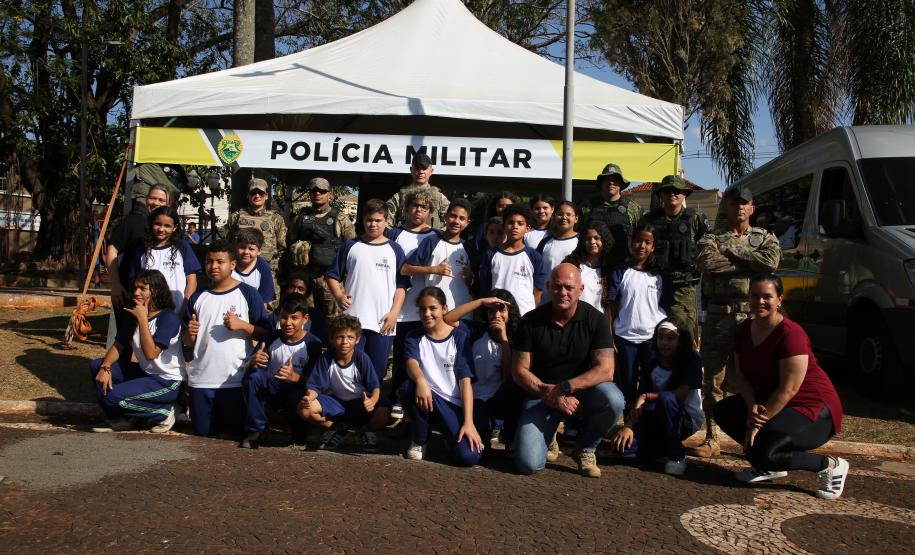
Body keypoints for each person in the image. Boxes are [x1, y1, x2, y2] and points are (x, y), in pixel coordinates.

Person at [713, 274, 848, 500]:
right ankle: (768, 465)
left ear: (780, 300)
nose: (760, 302)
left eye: (768, 296)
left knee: (767, 451)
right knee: (723, 411)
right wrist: (751, 406)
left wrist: (756, 422)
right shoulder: (746, 329)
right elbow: (741, 377)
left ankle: (830, 464)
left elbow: (789, 389)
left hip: (811, 407)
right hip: (771, 401)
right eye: (755, 296)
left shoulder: (791, 334)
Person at [690, 187, 781, 458]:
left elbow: (771, 262)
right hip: (720, 316)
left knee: (756, 377)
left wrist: (730, 252)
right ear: (725, 207)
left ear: (752, 208)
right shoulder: (710, 237)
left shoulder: (764, 237)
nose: (740, 207)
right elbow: (708, 264)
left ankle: (754, 435)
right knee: (713, 378)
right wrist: (749, 264)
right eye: (734, 203)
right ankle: (711, 437)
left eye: (745, 203)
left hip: (754, 319)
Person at [511, 263, 624, 478]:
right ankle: (549, 434)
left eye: (569, 287)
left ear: (580, 289)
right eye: (557, 286)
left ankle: (586, 447)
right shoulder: (531, 321)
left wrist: (565, 388)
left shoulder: (596, 320)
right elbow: (519, 370)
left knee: (614, 399)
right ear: (548, 287)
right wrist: (550, 394)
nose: (562, 292)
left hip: (581, 392)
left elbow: (606, 370)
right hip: (541, 394)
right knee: (528, 465)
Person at [183, 241, 270, 437]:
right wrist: (191, 333)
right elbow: (189, 342)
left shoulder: (248, 294)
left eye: (219, 262)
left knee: (233, 433)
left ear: (232, 264)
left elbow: (266, 333)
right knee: (203, 432)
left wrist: (244, 326)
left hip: (234, 380)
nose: (213, 267)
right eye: (209, 262)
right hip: (201, 380)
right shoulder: (198, 297)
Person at [397, 198, 474, 416]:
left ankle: (459, 413)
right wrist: (433, 269)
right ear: (445, 217)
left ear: (468, 223)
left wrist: (471, 278)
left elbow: (477, 283)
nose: (456, 221)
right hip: (434, 319)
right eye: (453, 216)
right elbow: (405, 269)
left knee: (460, 368)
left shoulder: (469, 247)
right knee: (431, 367)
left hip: (461, 318)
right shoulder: (432, 241)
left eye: (461, 218)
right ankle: (416, 414)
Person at [89, 270, 185, 433]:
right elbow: (119, 345)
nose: (136, 292)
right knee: (96, 366)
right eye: (135, 288)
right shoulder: (132, 314)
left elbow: (151, 353)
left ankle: (163, 413)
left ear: (156, 290)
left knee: (111, 398)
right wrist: (106, 367)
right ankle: (121, 419)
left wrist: (142, 319)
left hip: (167, 381)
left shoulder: (168, 317)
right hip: (146, 374)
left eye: (142, 288)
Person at [325, 198, 409, 385]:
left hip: (383, 322)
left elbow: (402, 286)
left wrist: (395, 313)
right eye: (369, 220)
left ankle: (374, 410)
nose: (373, 224)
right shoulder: (350, 246)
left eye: (378, 220)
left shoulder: (395, 249)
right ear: (363, 220)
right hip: (353, 321)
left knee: (377, 372)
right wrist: (338, 295)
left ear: (386, 221)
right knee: (351, 371)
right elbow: (331, 275)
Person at [401, 287, 485, 466]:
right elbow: (411, 364)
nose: (427, 314)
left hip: (452, 405)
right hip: (427, 397)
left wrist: (468, 422)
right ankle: (420, 439)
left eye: (433, 308)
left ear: (445, 309)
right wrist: (421, 381)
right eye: (423, 309)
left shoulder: (460, 337)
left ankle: (448, 436)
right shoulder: (413, 336)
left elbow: (465, 382)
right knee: (408, 386)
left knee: (469, 457)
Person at [611, 319, 703, 476]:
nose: (664, 343)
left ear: (680, 340)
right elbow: (640, 398)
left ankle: (676, 456)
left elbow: (681, 393)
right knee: (623, 449)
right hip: (656, 417)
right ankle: (661, 449)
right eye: (660, 337)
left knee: (667, 399)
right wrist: (628, 425)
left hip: (685, 418)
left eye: (670, 338)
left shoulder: (691, 359)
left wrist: (648, 396)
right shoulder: (653, 361)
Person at [240, 293, 323, 449]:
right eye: (284, 317)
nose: (288, 323)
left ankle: (299, 434)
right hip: (273, 386)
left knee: (302, 395)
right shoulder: (270, 338)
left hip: (296, 390)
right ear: (278, 316)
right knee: (253, 377)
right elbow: (247, 368)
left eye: (294, 318)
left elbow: (317, 382)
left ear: (305, 319)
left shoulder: (313, 344)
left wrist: (295, 377)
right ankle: (257, 431)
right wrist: (253, 361)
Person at [298, 314, 392, 452]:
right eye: (340, 337)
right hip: (336, 402)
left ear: (357, 340)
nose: (344, 342)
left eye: (350, 337)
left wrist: (372, 400)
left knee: (385, 413)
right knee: (303, 409)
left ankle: (366, 431)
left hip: (360, 402)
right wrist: (308, 398)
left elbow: (375, 387)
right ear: (332, 339)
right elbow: (314, 387)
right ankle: (337, 428)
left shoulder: (362, 358)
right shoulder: (326, 359)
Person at [444, 291, 524, 449]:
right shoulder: (478, 330)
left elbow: (508, 375)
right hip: (478, 398)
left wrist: (504, 339)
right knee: (481, 430)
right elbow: (447, 319)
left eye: (502, 310)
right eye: (492, 310)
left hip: (502, 396)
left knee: (516, 388)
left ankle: (510, 436)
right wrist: (481, 301)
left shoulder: (518, 336)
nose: (497, 315)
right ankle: (487, 431)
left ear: (510, 312)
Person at [606, 223, 673, 411]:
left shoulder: (660, 275)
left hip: (651, 340)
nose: (641, 246)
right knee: (626, 385)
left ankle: (646, 424)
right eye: (638, 241)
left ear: (653, 247)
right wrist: (611, 336)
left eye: (647, 242)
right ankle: (628, 424)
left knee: (650, 384)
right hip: (625, 338)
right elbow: (612, 305)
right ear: (631, 243)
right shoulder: (621, 271)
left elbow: (666, 309)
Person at [640, 174, 709, 336]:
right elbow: (638, 248)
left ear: (684, 194)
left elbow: (707, 249)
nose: (672, 194)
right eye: (667, 191)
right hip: (654, 285)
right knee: (652, 334)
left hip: (683, 289)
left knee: (684, 335)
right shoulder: (649, 220)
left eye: (677, 191)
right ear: (661, 195)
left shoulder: (695, 219)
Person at [104, 184, 170, 347]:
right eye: (152, 198)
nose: (155, 202)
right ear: (147, 200)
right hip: (129, 293)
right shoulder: (134, 221)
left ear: (168, 204)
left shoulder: (171, 229)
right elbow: (112, 250)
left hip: (157, 300)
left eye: (161, 200)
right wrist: (116, 285)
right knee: (124, 340)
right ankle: (116, 370)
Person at [287, 177, 356, 319]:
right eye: (314, 191)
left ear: (329, 194)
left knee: (334, 320)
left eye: (322, 191)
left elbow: (352, 250)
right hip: (305, 279)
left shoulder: (341, 219)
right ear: (309, 194)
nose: (317, 194)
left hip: (331, 280)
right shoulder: (299, 219)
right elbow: (289, 244)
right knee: (303, 317)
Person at [125, 205, 200, 315]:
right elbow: (134, 281)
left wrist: (184, 308)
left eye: (167, 226)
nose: (161, 229)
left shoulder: (182, 247)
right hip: (146, 314)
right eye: (158, 224)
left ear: (174, 227)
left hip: (177, 311)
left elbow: (192, 281)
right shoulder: (142, 248)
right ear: (151, 224)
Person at [478, 204, 545, 316]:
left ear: (527, 228)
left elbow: (538, 292)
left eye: (520, 223)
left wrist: (532, 315)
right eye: (510, 222)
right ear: (504, 226)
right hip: (497, 315)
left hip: (525, 316)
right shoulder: (491, 254)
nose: (515, 226)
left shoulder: (534, 256)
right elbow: (485, 288)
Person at [586, 163, 643, 268]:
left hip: (623, 266)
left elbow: (640, 238)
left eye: (615, 179)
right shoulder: (588, 207)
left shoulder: (633, 208)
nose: (611, 182)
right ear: (601, 183)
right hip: (593, 266)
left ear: (621, 183)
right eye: (607, 179)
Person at [223, 177, 287, 267]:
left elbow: (282, 247)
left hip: (267, 268)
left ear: (267, 196)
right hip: (240, 268)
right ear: (248, 195)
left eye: (261, 193)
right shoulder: (236, 217)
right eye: (253, 193)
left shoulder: (276, 219)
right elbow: (227, 243)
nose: (257, 196)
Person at [385, 152, 450, 229]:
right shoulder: (399, 197)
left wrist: (437, 238)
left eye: (424, 168)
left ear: (431, 171)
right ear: (411, 170)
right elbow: (385, 221)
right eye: (417, 168)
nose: (421, 172)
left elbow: (450, 223)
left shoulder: (440, 198)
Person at [562, 221, 614, 313]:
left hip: (599, 322)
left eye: (596, 238)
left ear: (604, 240)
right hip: (576, 318)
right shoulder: (573, 265)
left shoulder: (610, 268)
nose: (592, 242)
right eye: (588, 239)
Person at [536, 200, 580, 304]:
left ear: (576, 218)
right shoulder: (545, 243)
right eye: (560, 214)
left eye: (568, 214)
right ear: (554, 217)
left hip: (574, 303)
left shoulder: (582, 241)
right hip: (547, 302)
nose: (564, 217)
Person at [231, 227, 276, 310]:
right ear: (236, 247)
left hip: (252, 312)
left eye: (251, 249)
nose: (246, 252)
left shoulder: (263, 268)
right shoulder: (229, 265)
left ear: (259, 251)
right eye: (242, 247)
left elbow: (263, 302)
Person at [473, 191, 519, 256]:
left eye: (508, 206)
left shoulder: (518, 228)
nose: (504, 209)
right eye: (500, 206)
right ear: (494, 207)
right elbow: (476, 250)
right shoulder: (484, 227)